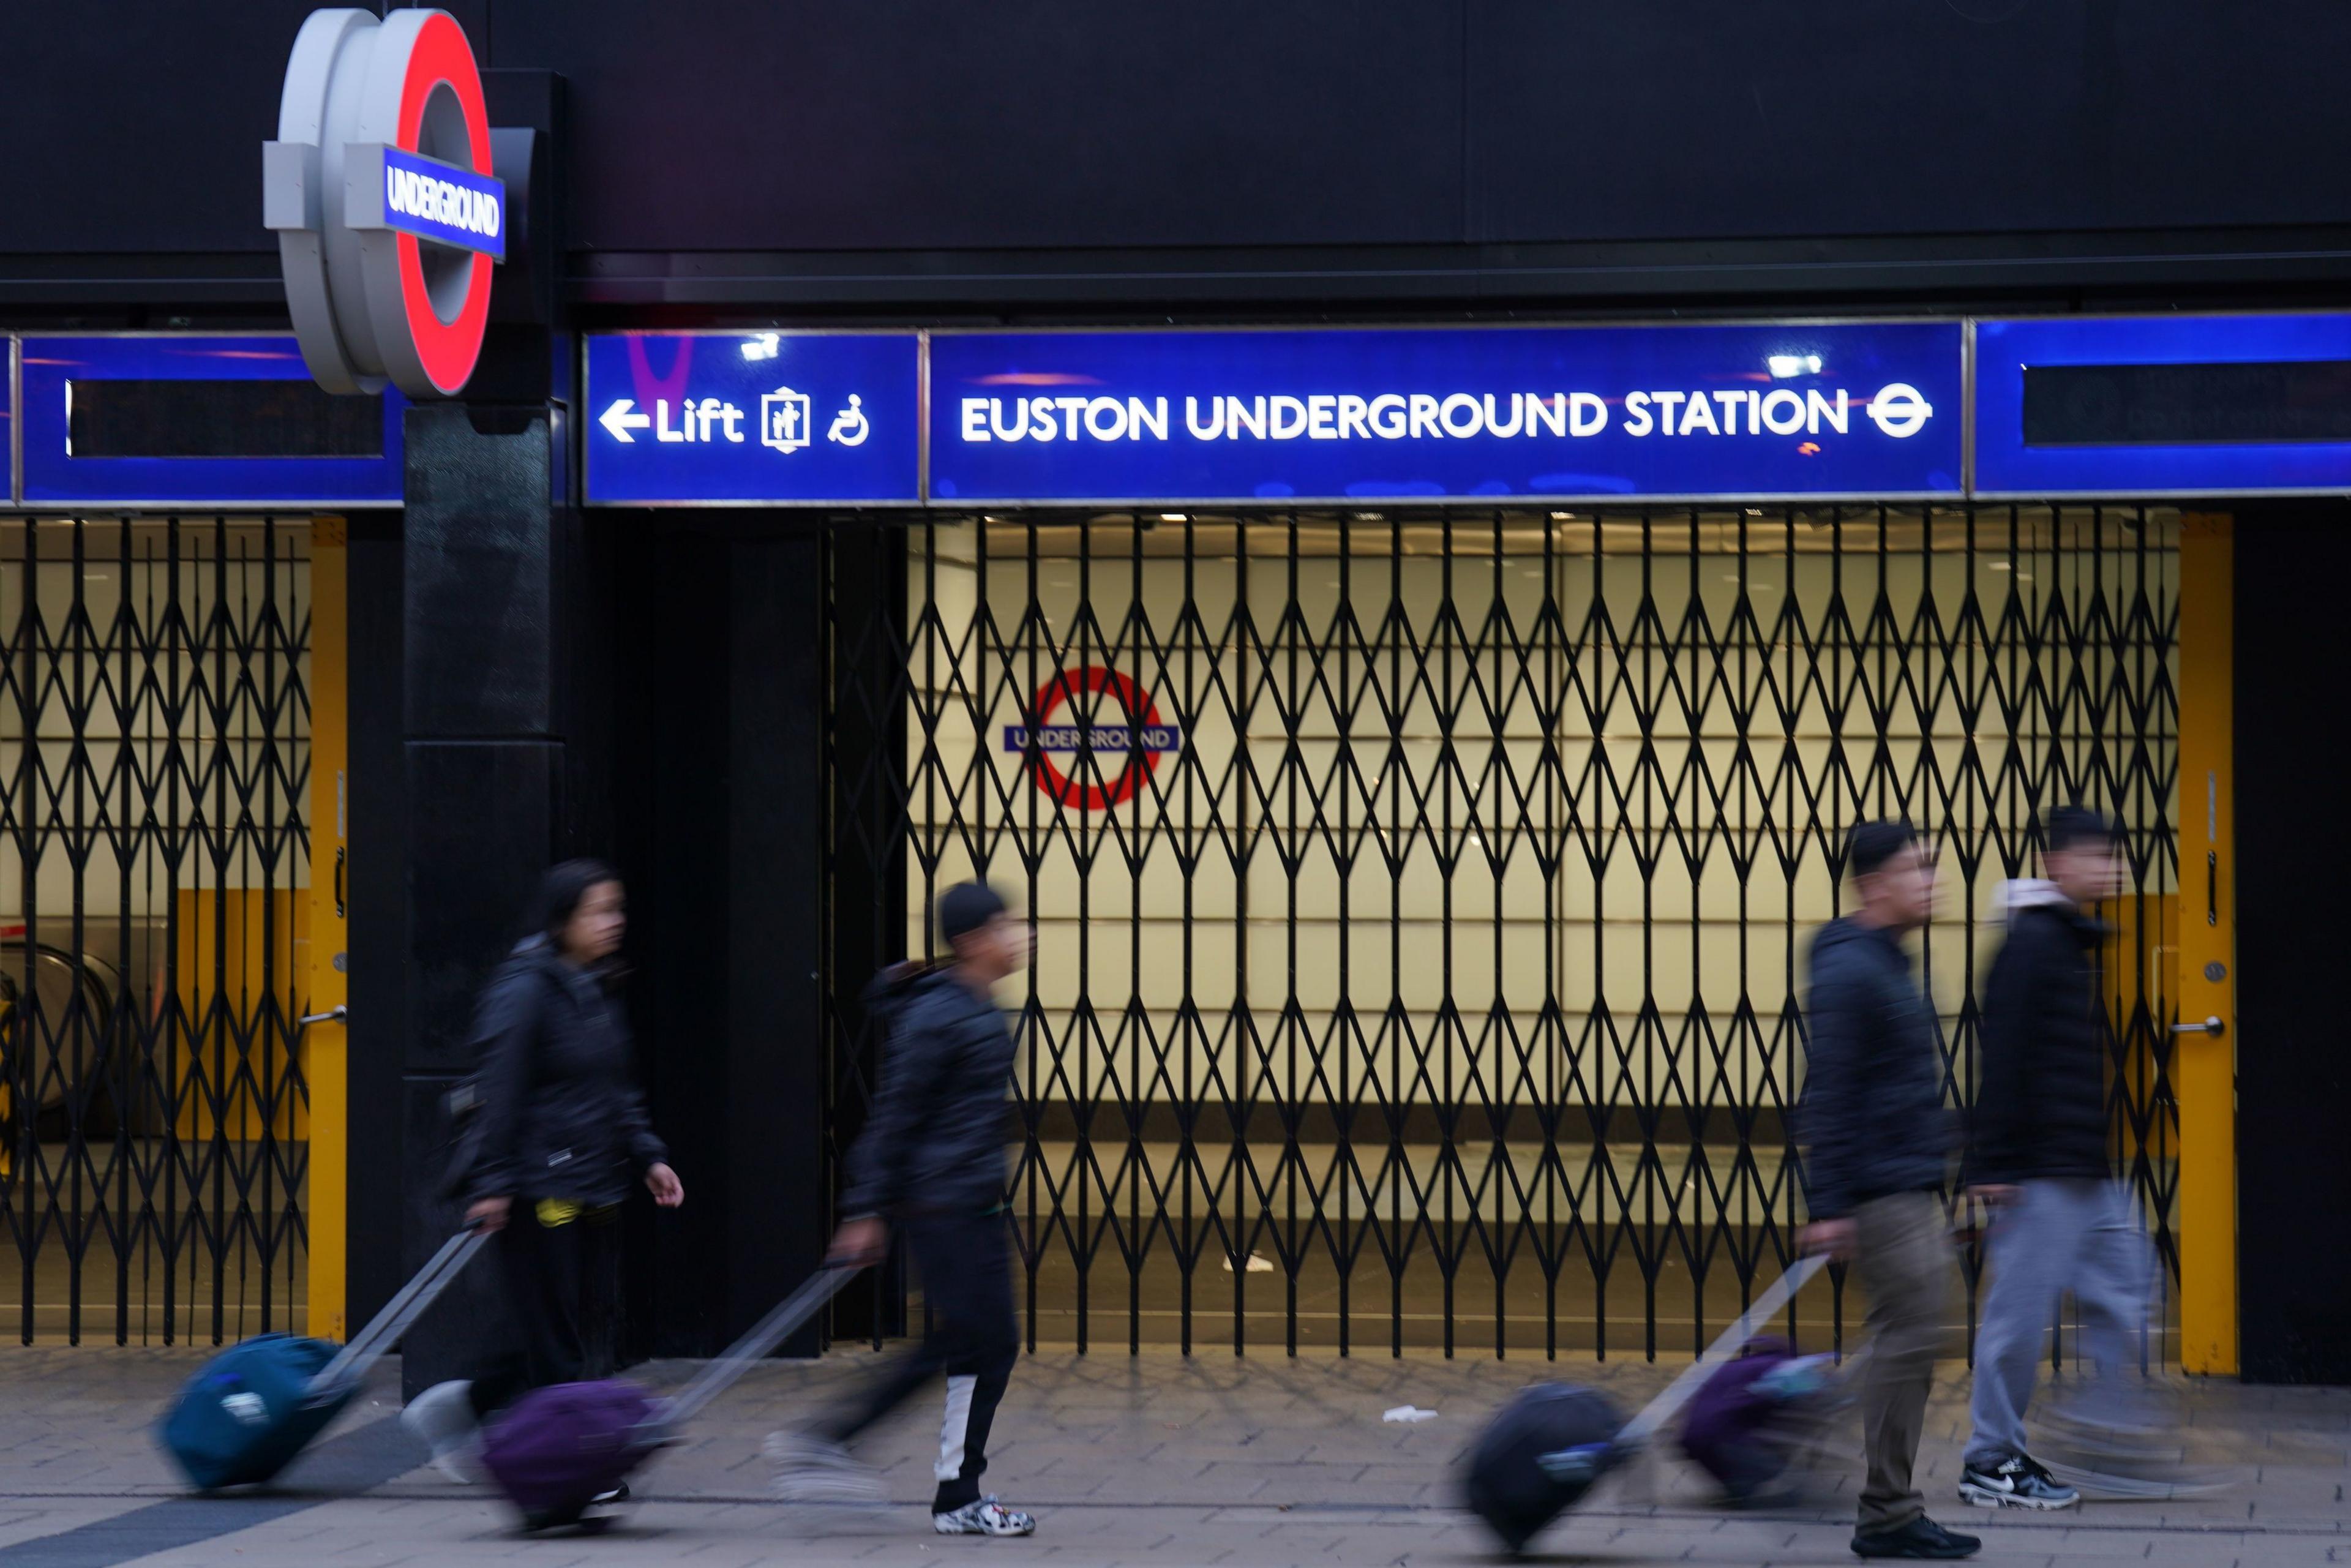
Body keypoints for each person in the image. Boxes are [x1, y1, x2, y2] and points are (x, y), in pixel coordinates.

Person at [401, 860, 685, 1488]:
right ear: (561, 920)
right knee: (556, 1337)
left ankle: (468, 1406)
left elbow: (616, 1088)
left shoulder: (594, 985)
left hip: (592, 1181)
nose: (613, 922)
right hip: (538, 1186)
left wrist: (649, 1155)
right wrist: (495, 1181)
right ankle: (579, 1468)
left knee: (555, 1325)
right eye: (597, 911)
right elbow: (497, 1092)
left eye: (617, 909)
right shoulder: (525, 988)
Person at [767, 881, 1036, 1539]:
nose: (1021, 935)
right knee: (973, 1337)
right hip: (942, 1203)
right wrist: (865, 1209)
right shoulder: (942, 1015)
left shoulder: (972, 1005)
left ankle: (952, 1489)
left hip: (972, 1200)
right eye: (1008, 925)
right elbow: (896, 1115)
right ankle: (841, 1443)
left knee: (987, 1339)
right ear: (973, 941)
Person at [1959, 806, 2152, 1509]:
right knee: (2018, 1317)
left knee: (2129, 1277)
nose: (2112, 869)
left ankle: (2104, 1428)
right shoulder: (2032, 944)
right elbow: (2003, 1058)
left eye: (2114, 855)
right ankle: (1989, 1458)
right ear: (2058, 863)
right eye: (2099, 855)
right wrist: (1995, 1162)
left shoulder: (2069, 937)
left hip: (2080, 1168)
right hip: (2039, 1169)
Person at [1800, 822, 1979, 1561]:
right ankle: (1886, 1509)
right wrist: (1831, 1203)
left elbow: (1898, 1086)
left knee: (1907, 1335)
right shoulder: (1853, 972)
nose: (1932, 879)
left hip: (1905, 1181)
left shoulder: (1885, 962)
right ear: (1875, 884)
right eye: (1917, 867)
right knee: (1907, 1337)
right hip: (1881, 1190)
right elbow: (1831, 1091)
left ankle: (1881, 1493)